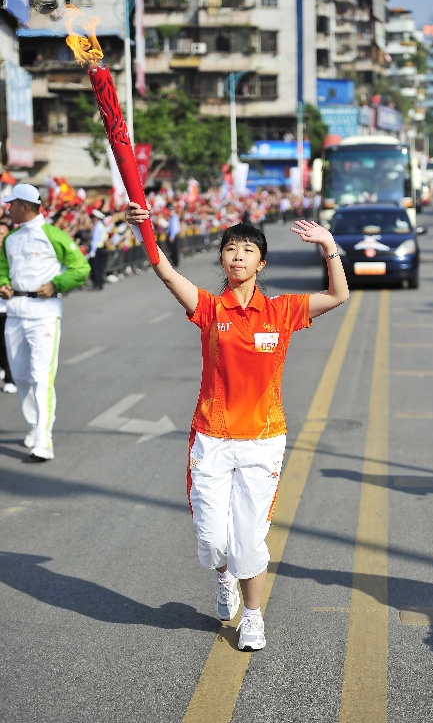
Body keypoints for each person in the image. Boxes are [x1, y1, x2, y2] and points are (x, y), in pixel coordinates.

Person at [126, 201, 349, 651]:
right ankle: (223, 576)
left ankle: (253, 617)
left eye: (247, 249)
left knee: (249, 539)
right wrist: (146, 230)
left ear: (261, 262)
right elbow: (168, 274)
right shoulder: (210, 308)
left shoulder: (281, 311)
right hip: (212, 436)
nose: (238, 255)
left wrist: (329, 247)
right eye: (230, 249)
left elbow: (338, 295)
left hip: (264, 440)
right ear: (223, 260)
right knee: (212, 542)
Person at [0, 184, 91, 461]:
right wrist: (3, 283)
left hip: (44, 314)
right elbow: (2, 267)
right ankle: (34, 425)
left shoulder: (54, 236)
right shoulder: (10, 239)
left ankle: (44, 440)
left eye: (11, 204)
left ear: (24, 206)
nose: (8, 208)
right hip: (15, 312)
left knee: (41, 377)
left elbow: (81, 268)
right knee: (22, 377)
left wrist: (56, 284)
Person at [0, 219, 16, 393]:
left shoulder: (14, 256)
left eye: (2, 234)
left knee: (7, 345)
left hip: (9, 308)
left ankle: (10, 378)